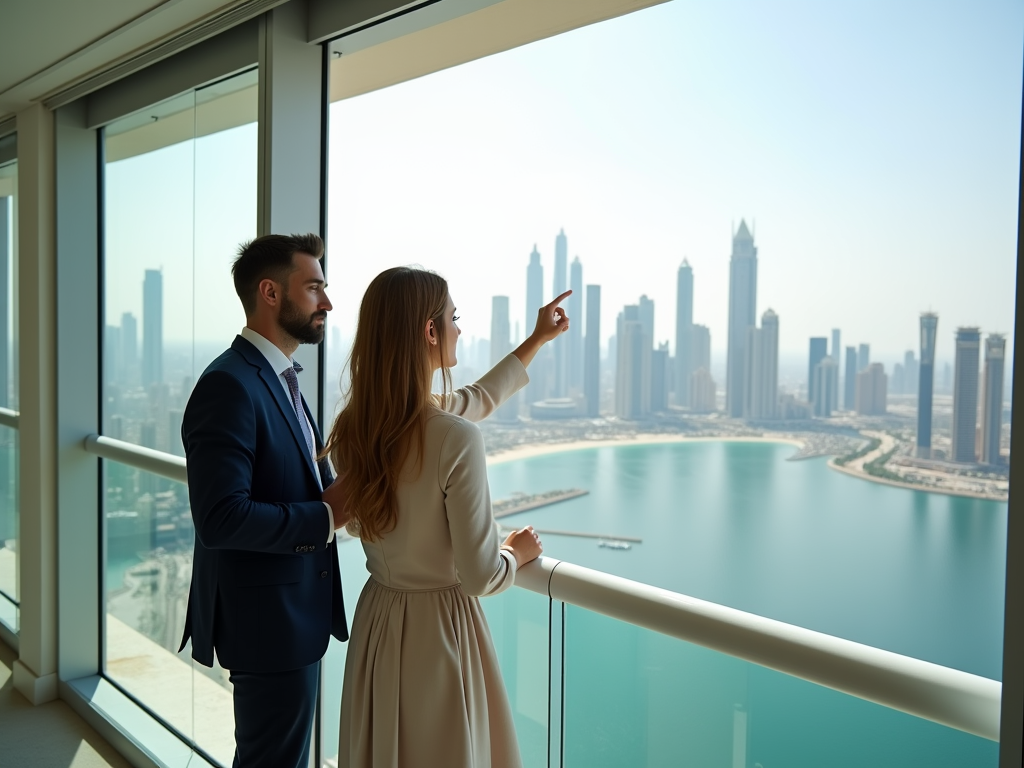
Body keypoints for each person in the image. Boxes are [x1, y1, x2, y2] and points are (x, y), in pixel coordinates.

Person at [326, 266, 570, 768]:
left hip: (378, 618)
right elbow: (480, 576)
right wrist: (514, 552)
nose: (460, 328)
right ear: (429, 332)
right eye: (453, 317)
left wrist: (536, 339)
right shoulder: (454, 438)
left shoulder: (356, 427)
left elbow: (476, 399)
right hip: (441, 629)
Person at [178, 233, 350, 768]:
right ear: (271, 293)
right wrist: (324, 518)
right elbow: (220, 518)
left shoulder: (281, 379)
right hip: (268, 624)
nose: (327, 302)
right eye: (315, 287)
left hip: (290, 615)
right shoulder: (229, 385)